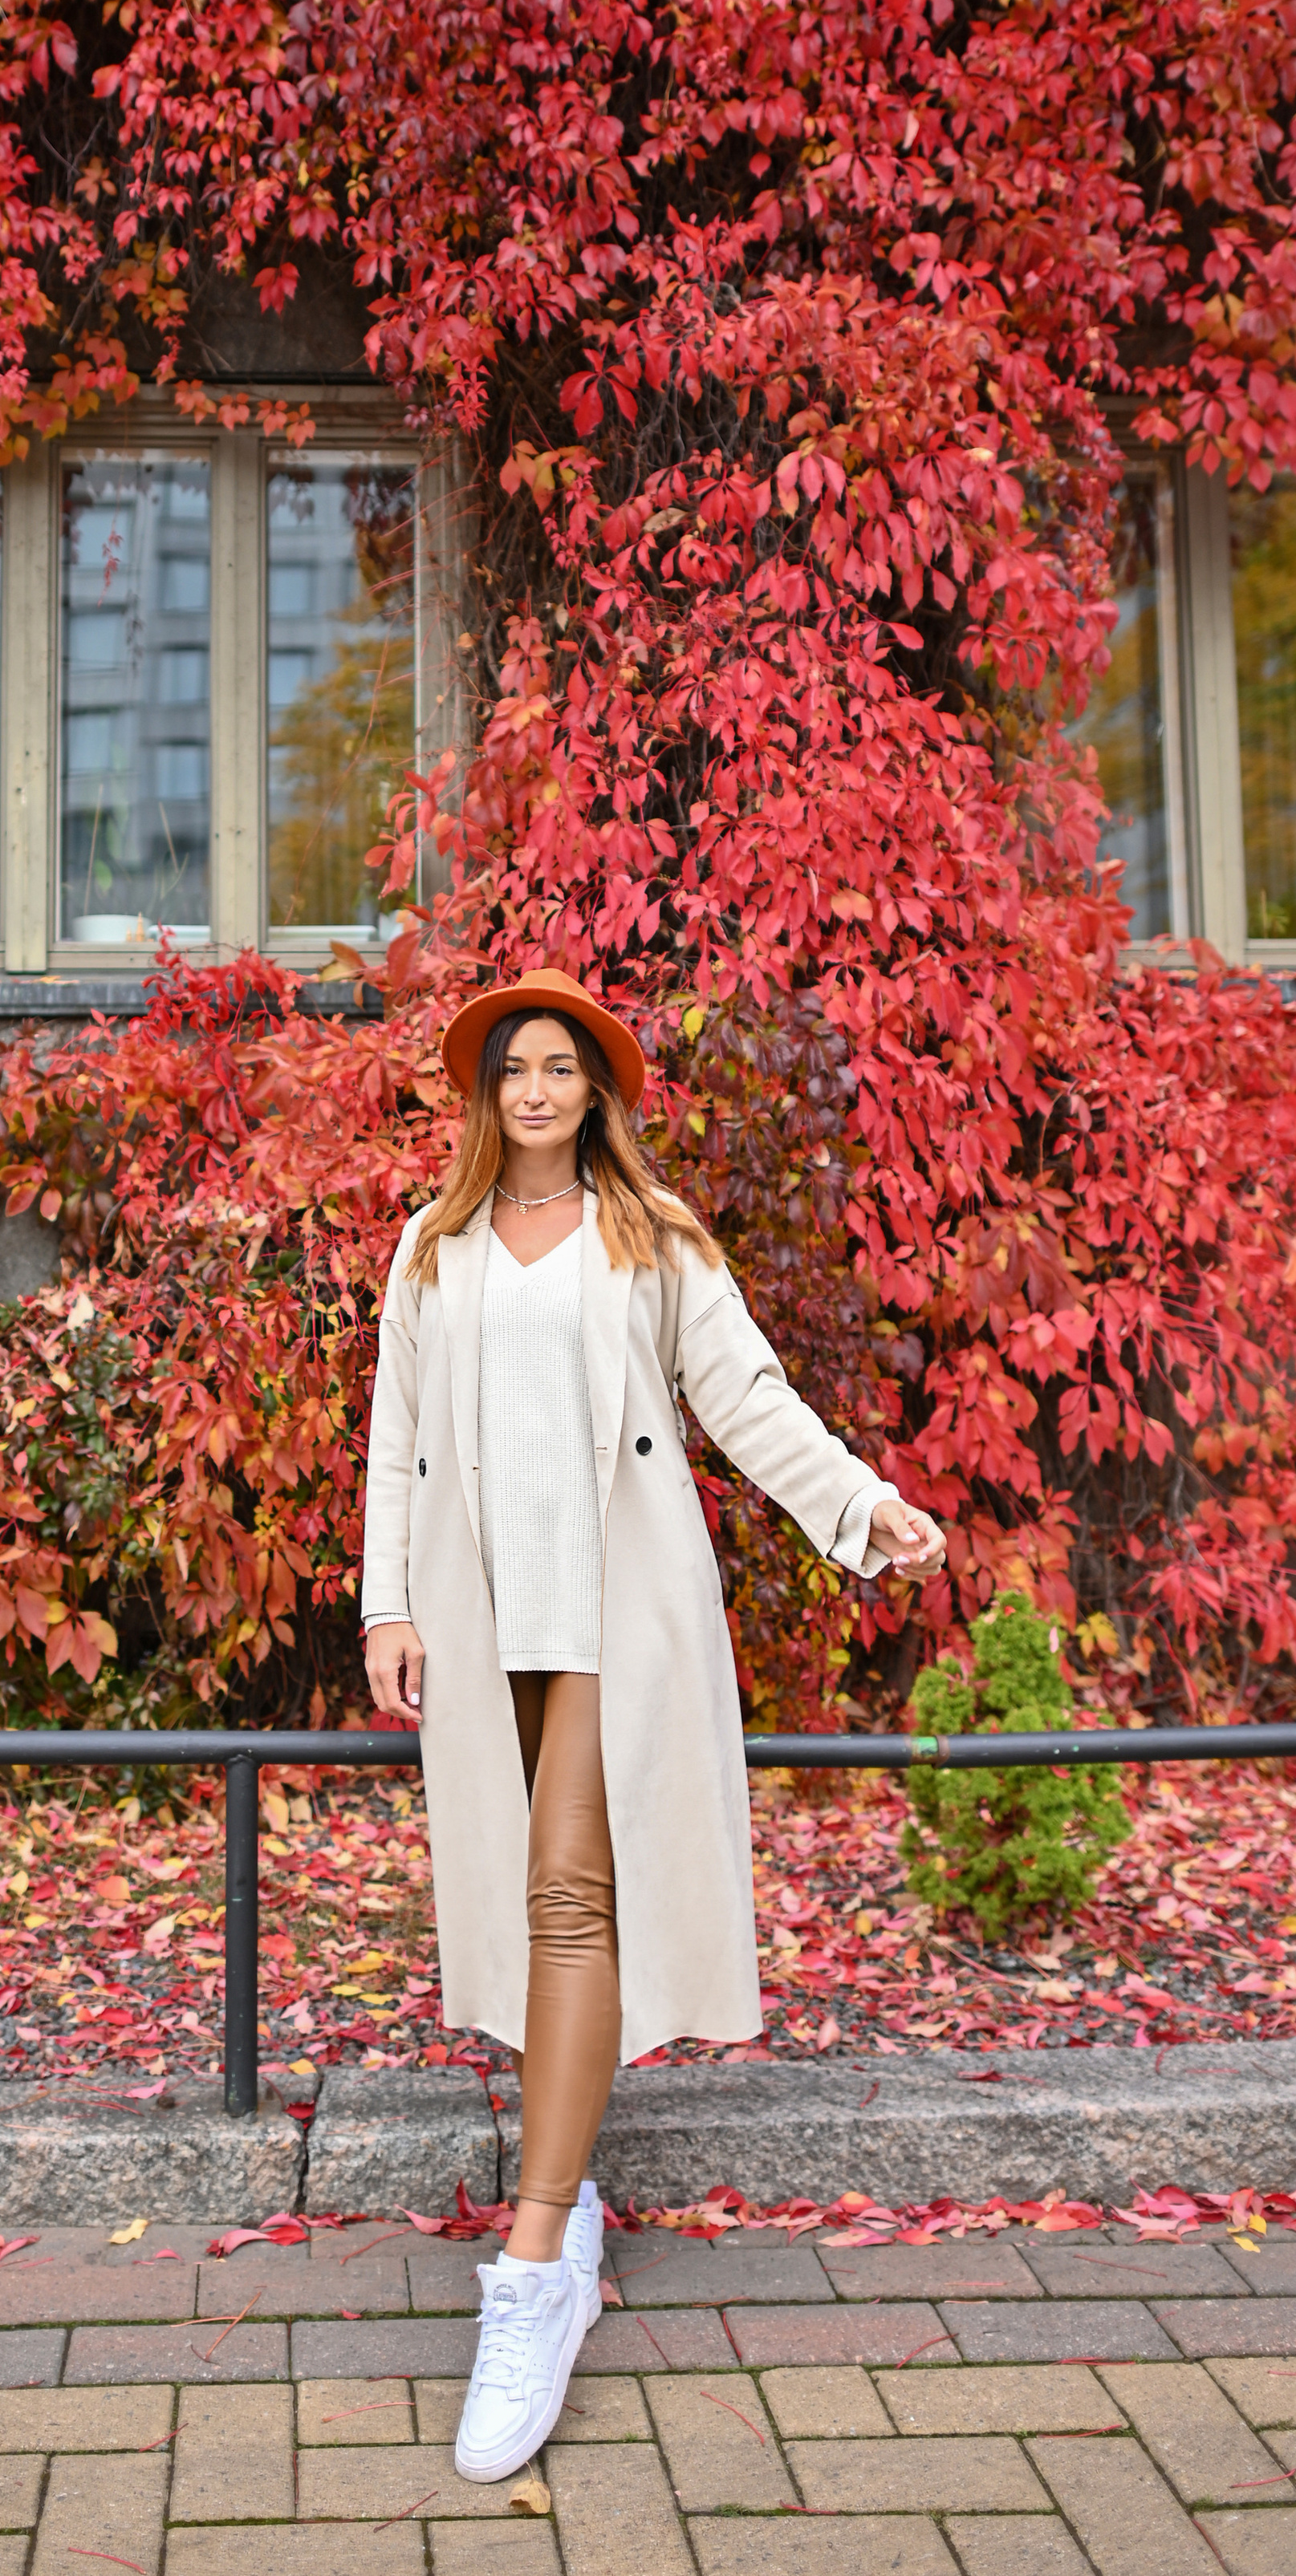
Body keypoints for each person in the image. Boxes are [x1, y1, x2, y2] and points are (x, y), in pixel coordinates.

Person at [360, 966, 947, 2482]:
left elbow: (745, 1397)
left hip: (617, 1607)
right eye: (514, 1072)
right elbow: (397, 1446)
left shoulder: (656, 1238)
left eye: (560, 1068)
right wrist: (385, 1608)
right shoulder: (430, 1252)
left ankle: (537, 2260)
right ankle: (573, 2206)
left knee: (564, 1895)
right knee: (550, 1906)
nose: (537, 1092)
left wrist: (859, 1511)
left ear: (595, 1093)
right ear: (486, 1099)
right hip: (490, 1619)